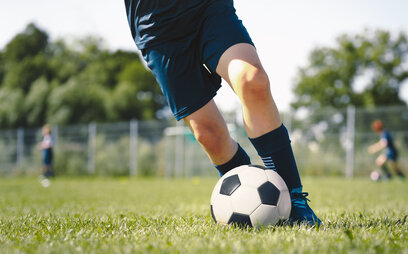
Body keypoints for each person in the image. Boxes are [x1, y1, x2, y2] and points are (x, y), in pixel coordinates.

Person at [124, 0, 321, 225]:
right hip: (156, 26)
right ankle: (247, 203)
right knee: (209, 135)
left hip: (207, 8)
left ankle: (293, 201)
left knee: (252, 81)